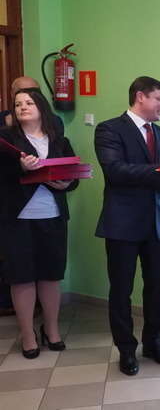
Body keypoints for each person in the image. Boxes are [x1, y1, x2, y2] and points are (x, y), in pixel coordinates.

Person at [94, 76, 160, 376]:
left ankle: (154, 344)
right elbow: (116, 172)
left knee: (157, 290)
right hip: (122, 225)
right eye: (159, 99)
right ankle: (126, 350)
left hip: (157, 224)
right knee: (121, 291)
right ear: (140, 97)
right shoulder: (109, 129)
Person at [0, 88, 79, 358]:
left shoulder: (60, 140)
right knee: (21, 277)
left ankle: (52, 330)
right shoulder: (6, 139)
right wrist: (21, 168)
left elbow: (73, 174)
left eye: (29, 102)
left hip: (53, 217)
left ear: (42, 107)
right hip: (17, 219)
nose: (22, 107)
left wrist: (67, 183)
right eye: (18, 104)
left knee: (51, 275)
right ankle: (27, 335)